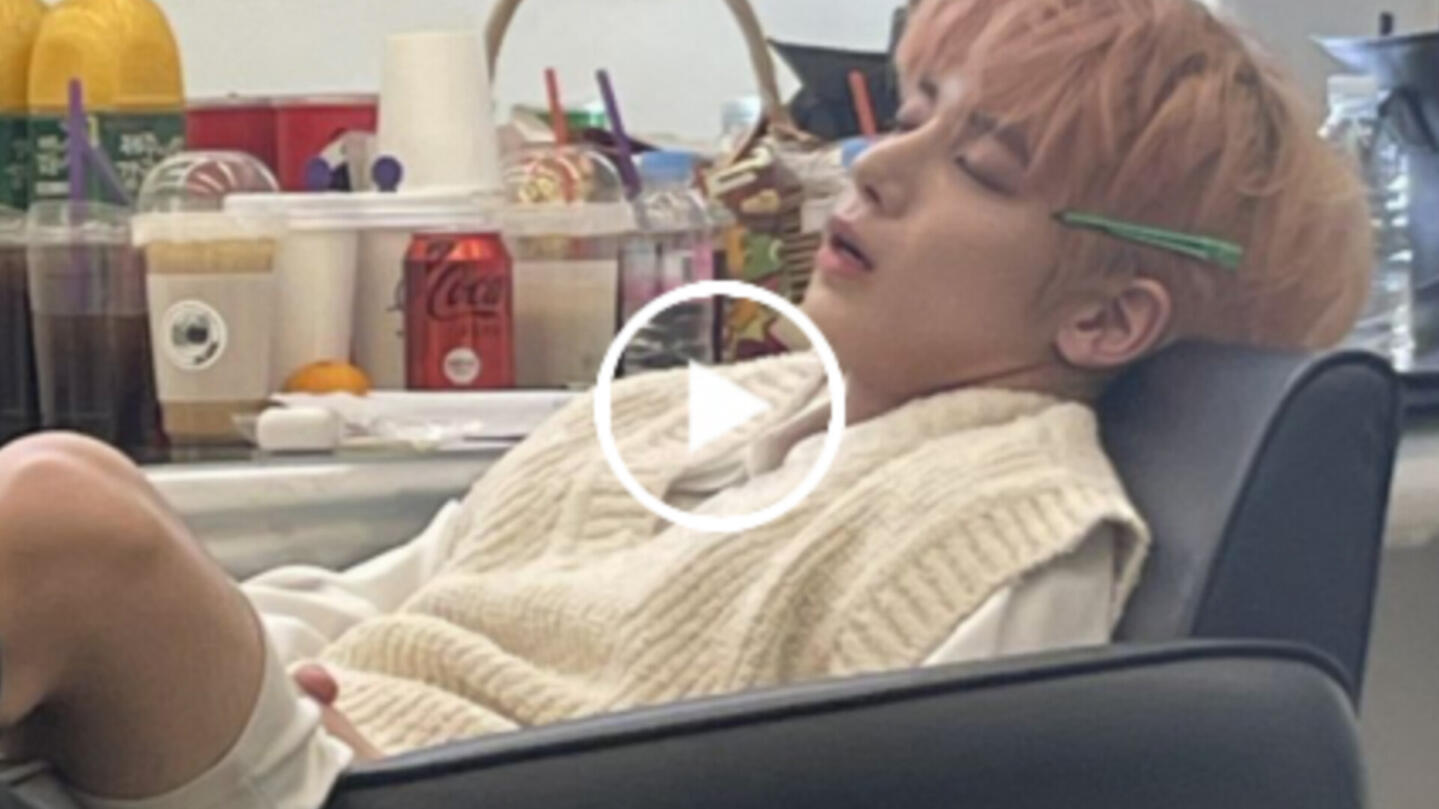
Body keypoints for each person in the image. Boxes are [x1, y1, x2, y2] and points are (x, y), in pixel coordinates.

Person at [0, 0, 1370, 807]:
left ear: (1108, 317)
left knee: (70, 525)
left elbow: (880, 786)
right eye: (915, 112)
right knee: (88, 489)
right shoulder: (698, 408)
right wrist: (233, 647)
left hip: (407, 792)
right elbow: (398, 598)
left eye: (983, 168)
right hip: (335, 745)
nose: (878, 166)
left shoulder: (1017, 521)